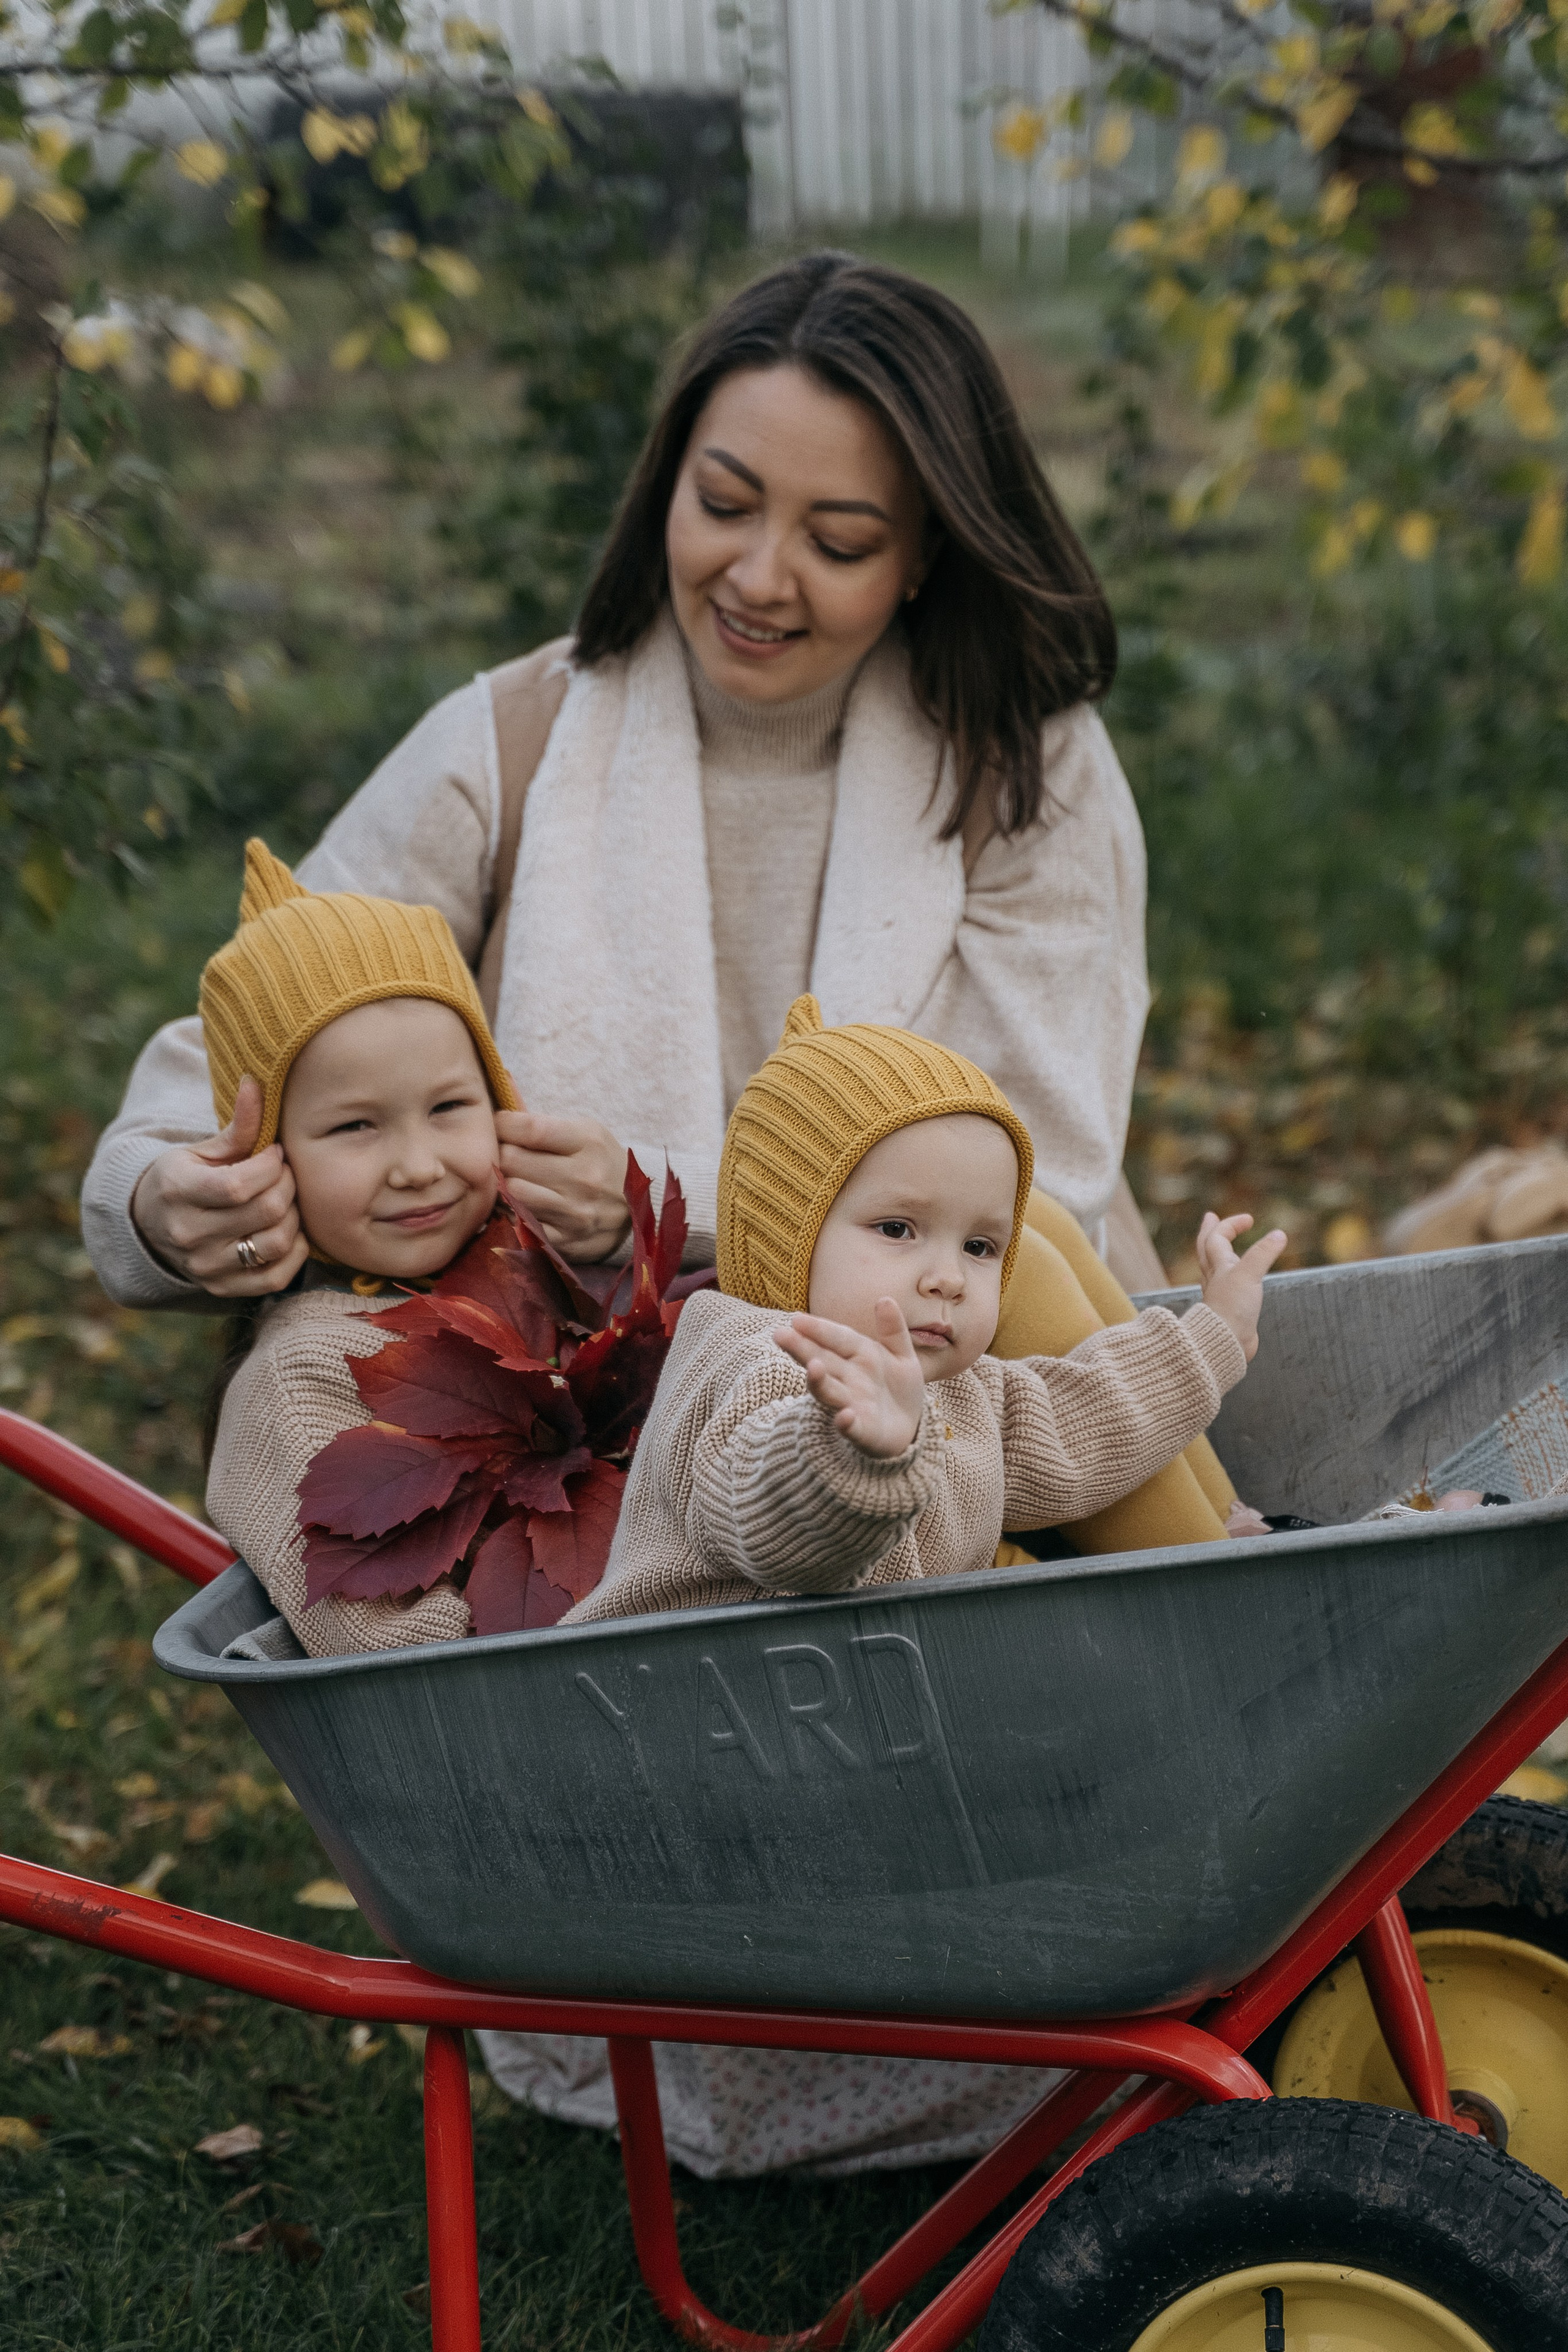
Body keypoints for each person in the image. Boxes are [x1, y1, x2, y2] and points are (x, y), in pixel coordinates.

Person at [83, 246, 1238, 1553]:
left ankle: (1236, 1613)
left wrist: (657, 1210)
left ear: (925, 552)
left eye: (838, 541)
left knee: (1015, 1250)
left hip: (931, 1387)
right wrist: (163, 1203)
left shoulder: (1022, 764)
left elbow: (1024, 1172)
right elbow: (233, 1047)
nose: (756, 577)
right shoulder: (509, 746)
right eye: (724, 503)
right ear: (664, 487)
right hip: (593, 1426)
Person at [572, 998, 1280, 1626]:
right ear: (789, 1235)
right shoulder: (762, 1365)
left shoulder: (955, 1391)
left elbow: (1080, 1421)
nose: (947, 1278)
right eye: (897, 1230)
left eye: (978, 1246)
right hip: (678, 1710)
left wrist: (1211, 1334)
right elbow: (767, 1516)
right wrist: (854, 1455)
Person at [198, 840, 520, 1656]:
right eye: (355, 1126)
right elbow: (383, 1652)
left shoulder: (538, 1278)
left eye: (450, 1105)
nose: (418, 1167)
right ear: (265, 1158)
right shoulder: (297, 1384)